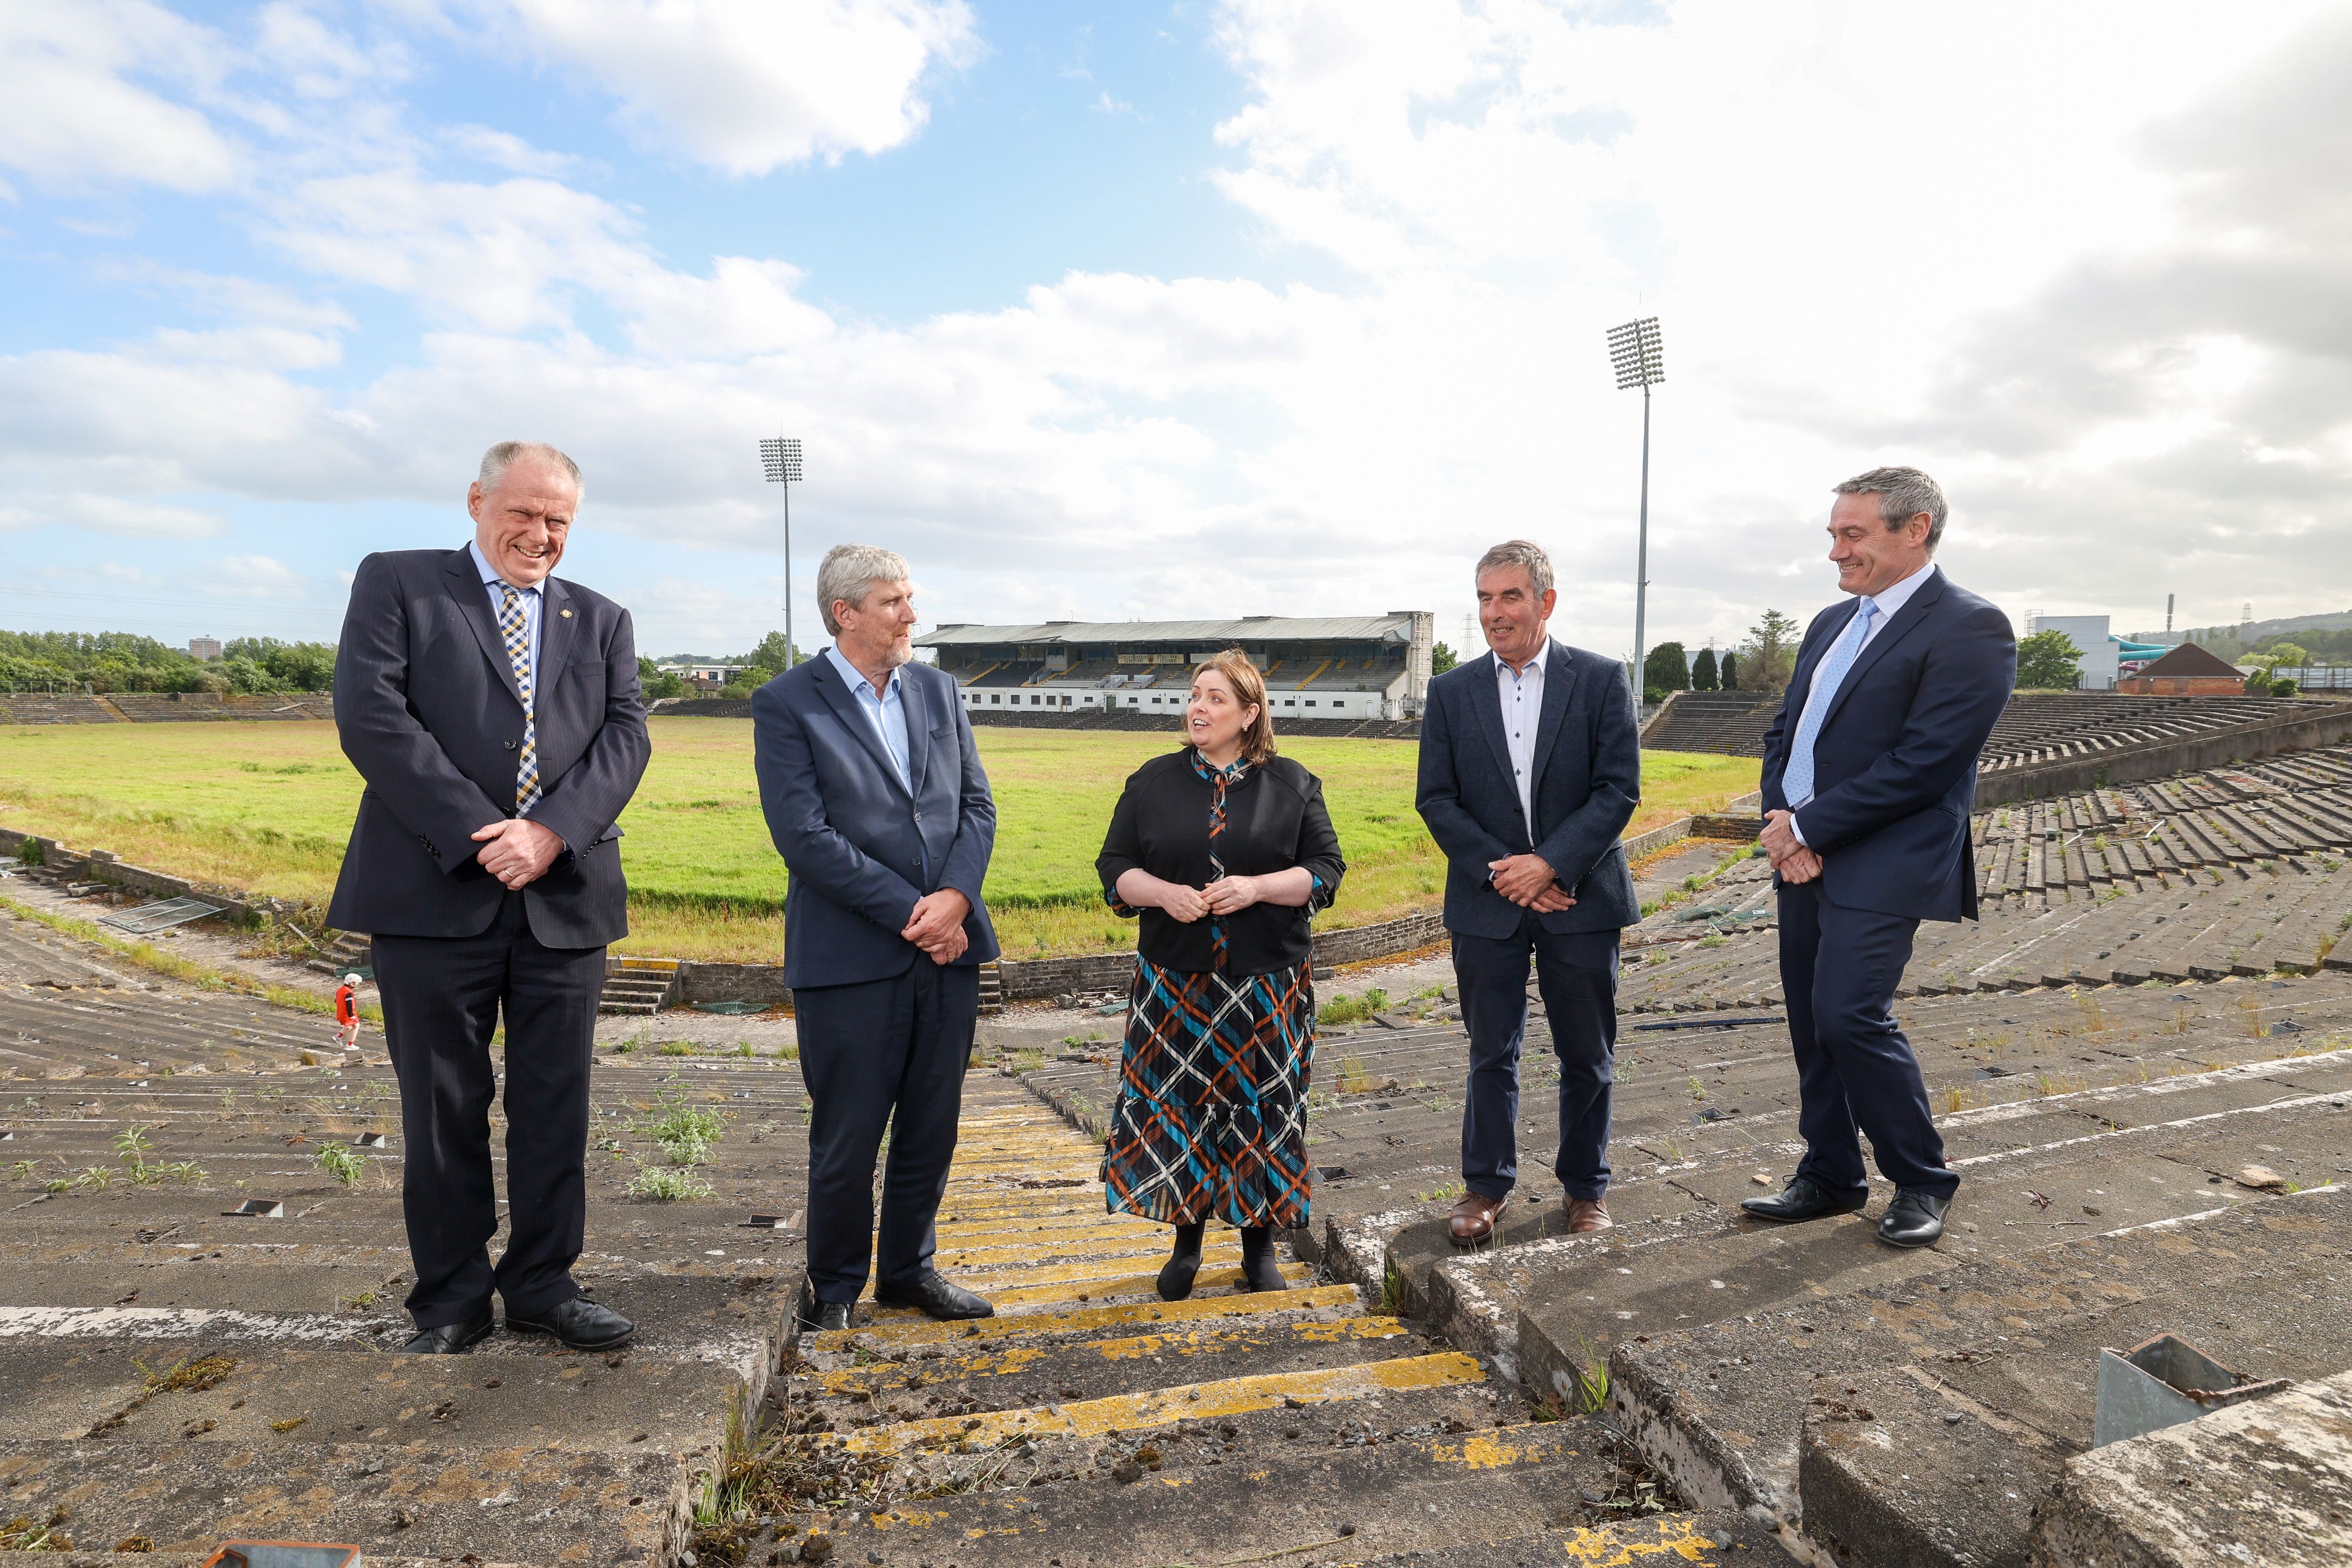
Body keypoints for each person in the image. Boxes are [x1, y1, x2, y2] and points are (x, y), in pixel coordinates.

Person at [329, 440, 650, 1355]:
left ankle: (545, 1282)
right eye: (524, 512)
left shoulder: (604, 618)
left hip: (565, 896)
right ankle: (451, 1297)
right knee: (442, 1109)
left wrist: (549, 832)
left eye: (559, 521)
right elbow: (371, 714)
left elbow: (626, 738)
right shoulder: (398, 582)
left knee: (558, 1105)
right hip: (434, 894)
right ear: (476, 499)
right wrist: (487, 831)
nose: (541, 534)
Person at [1746, 467, 2015, 1249]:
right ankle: (1830, 1173)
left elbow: (1926, 762)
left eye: (1853, 533)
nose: (1837, 550)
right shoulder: (1833, 622)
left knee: (1849, 1013)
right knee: (1809, 1019)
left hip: (1884, 857)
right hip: (1801, 851)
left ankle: (1923, 1176)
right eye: (1834, 533)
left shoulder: (1971, 625)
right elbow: (1784, 733)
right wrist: (1781, 822)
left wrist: (1811, 828)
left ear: (1916, 528)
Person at [753, 544, 1000, 1333]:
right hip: (851, 960)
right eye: (895, 601)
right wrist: (913, 912)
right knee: (850, 1132)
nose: (910, 615)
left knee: (933, 1122)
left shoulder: (939, 690)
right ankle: (836, 1287)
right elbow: (804, 836)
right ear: (845, 612)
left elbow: (976, 806)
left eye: (909, 598)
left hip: (950, 947)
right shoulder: (789, 702)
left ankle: (909, 1268)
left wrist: (955, 898)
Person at [1096, 651, 1345, 1300]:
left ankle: (1258, 1248)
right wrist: (1158, 893)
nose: (1198, 708)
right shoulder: (1151, 780)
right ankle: (1186, 1245)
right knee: (1182, 1113)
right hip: (1175, 987)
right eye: (1195, 695)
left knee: (1261, 1112)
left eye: (1214, 698)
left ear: (1249, 714)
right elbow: (1115, 865)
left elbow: (1325, 870)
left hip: (1266, 985)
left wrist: (1259, 886)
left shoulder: (1292, 783)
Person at [1415, 540, 1641, 1245]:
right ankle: (1485, 1185)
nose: (1493, 612)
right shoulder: (1452, 692)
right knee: (1490, 1051)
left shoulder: (1602, 679)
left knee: (1587, 1054)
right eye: (1483, 598)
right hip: (1488, 904)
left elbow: (1617, 790)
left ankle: (1585, 1189)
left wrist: (1549, 865)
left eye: (1509, 597)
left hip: (1579, 899)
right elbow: (1437, 799)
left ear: (1546, 601)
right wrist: (1504, 870)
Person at [333, 973, 362, 1052]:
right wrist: (351, 1015)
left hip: (341, 1012)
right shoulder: (349, 993)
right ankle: (350, 1045)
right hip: (348, 1013)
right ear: (352, 983)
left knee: (349, 1026)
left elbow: (336, 1000)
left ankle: (338, 1036)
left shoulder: (340, 990)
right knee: (356, 1026)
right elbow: (349, 1005)